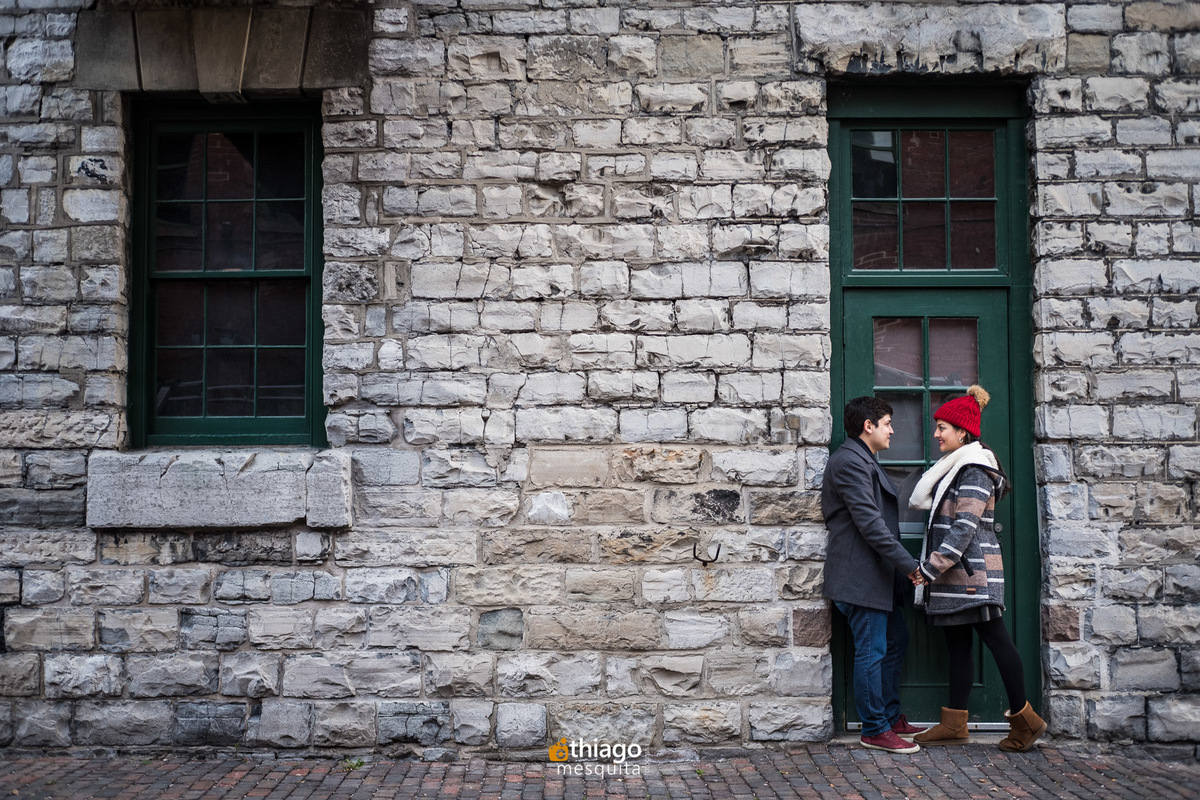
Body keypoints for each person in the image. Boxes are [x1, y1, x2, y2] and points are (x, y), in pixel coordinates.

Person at [908, 385, 1046, 752]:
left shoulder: (975, 470)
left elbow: (964, 526)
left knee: (997, 642)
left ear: (963, 432)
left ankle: (1026, 721)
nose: (936, 434)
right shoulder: (958, 468)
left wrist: (931, 567)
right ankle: (954, 724)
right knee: (957, 647)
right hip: (958, 575)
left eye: (942, 428)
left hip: (973, 576)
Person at [822, 396, 926, 754]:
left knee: (895, 641)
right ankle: (874, 729)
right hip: (859, 577)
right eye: (887, 423)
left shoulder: (864, 459)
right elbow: (870, 524)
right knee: (873, 650)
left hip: (875, 579)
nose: (893, 430)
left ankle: (891, 717)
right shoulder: (849, 462)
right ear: (869, 426)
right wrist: (910, 566)